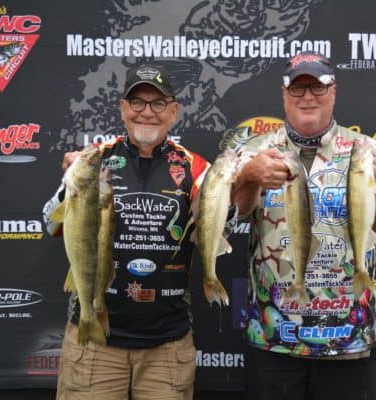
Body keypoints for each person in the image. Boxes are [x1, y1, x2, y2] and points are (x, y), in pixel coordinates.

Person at [42, 63, 236, 400]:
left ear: (173, 111)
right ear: (122, 108)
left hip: (167, 347)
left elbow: (220, 227)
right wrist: (68, 188)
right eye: (137, 102)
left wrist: (232, 191)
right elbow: (51, 223)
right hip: (95, 344)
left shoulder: (197, 168)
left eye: (158, 103)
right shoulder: (94, 160)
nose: (147, 112)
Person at [231, 51, 376, 399]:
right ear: (284, 94)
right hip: (274, 337)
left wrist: (370, 184)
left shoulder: (365, 149)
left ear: (333, 91)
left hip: (348, 338)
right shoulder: (255, 150)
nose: (307, 97)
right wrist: (248, 177)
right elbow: (233, 217)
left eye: (317, 87)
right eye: (298, 88)